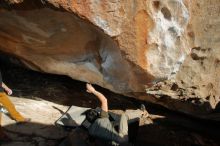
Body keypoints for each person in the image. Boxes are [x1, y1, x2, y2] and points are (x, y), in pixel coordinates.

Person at [0, 69, 30, 141]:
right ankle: (1, 136)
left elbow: (0, 81)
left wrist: (7, 88)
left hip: (1, 92)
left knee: (10, 105)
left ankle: (19, 119)